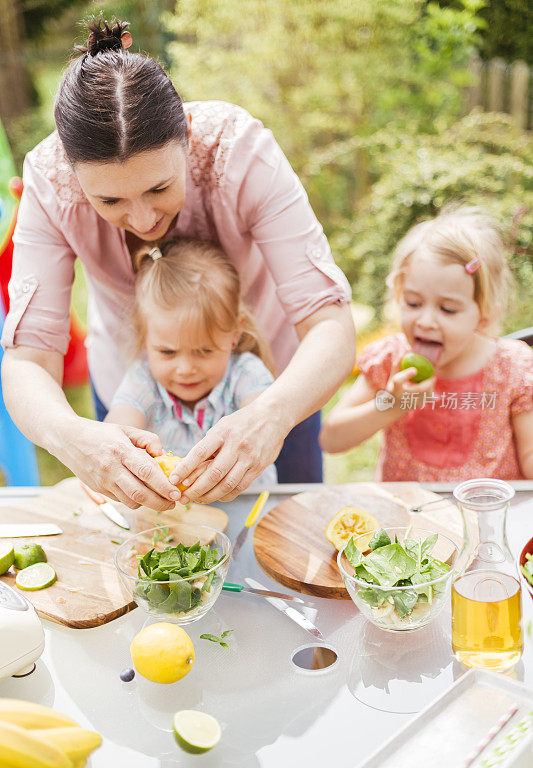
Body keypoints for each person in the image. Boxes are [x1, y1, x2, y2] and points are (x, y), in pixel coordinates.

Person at [1, 17, 355, 511]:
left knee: (287, 540)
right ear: (73, 171)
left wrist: (272, 415)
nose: (142, 219)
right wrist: (71, 438)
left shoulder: (243, 151)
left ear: (187, 132)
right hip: (135, 386)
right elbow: (28, 360)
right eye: (109, 201)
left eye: (159, 188)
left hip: (274, 393)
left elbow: (330, 323)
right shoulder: (49, 181)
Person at [320, 206, 533, 480]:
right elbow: (331, 439)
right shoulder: (390, 360)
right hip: (410, 518)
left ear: (484, 314)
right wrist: (393, 405)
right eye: (413, 303)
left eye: (447, 309)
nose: (426, 321)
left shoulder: (513, 371)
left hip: (483, 519)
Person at [105, 237, 277, 488]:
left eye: (204, 351)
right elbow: (118, 427)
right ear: (143, 338)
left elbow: (264, 412)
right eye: (167, 352)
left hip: (251, 509)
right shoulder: (142, 380)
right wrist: (121, 450)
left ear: (234, 335)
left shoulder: (246, 372)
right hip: (174, 520)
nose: (185, 370)